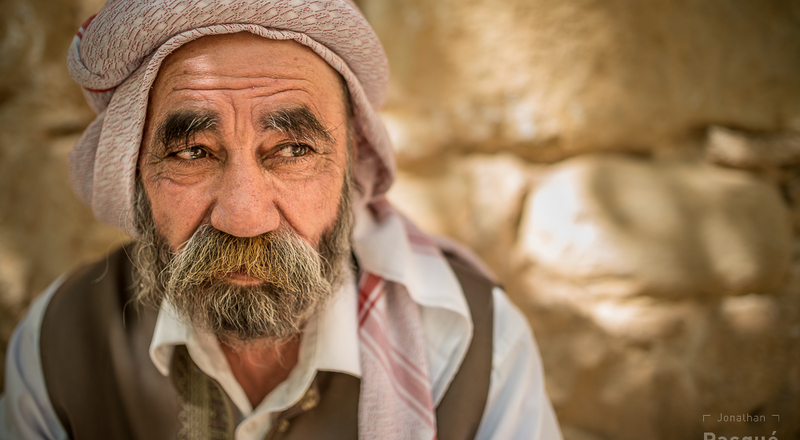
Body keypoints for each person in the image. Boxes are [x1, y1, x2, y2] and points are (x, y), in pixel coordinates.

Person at [0, 0, 562, 439]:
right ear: (135, 171)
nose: (245, 217)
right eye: (192, 152)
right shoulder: (57, 346)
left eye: (293, 150)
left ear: (352, 166)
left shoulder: (475, 351)